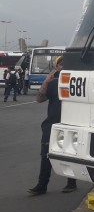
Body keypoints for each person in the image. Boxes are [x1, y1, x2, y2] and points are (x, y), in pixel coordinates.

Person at [28, 56, 77, 195]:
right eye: (60, 64)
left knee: (69, 153)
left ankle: (71, 183)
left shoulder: (75, 82)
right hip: (51, 124)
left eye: (65, 64)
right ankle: (42, 185)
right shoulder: (54, 82)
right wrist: (47, 80)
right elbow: (39, 99)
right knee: (46, 154)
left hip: (70, 123)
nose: (63, 66)